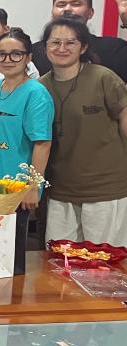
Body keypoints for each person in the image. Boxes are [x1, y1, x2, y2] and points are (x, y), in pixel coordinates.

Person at [38, 16, 127, 246]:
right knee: (59, 258)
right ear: (45, 47)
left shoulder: (102, 77)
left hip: (106, 189)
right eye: (55, 42)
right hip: (60, 190)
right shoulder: (40, 87)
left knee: (104, 261)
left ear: (83, 47)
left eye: (70, 42)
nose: (62, 48)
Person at [0, 28, 53, 268]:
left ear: (28, 57)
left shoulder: (36, 93)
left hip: (16, 187)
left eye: (16, 54)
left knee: (9, 257)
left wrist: (33, 187)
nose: (7, 60)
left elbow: (42, 143)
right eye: (1, 54)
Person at [31, 0, 127, 82]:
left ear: (90, 13)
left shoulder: (114, 48)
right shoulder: (34, 52)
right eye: (61, 5)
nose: (67, 9)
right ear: (52, 13)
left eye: (76, 4)